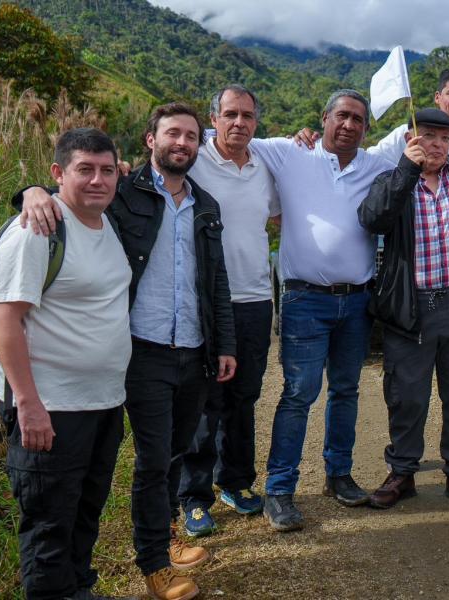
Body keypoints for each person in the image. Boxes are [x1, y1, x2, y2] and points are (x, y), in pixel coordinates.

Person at [18, 104, 237, 600]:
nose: (182, 142)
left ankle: (165, 538)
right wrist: (30, 192)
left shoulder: (205, 204)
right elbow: (70, 197)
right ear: (150, 140)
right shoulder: (122, 191)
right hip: (142, 350)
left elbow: (216, 282)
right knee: (154, 458)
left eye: (191, 135)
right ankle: (154, 562)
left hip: (194, 349)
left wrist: (223, 343)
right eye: (172, 134)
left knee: (176, 453)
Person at [0, 128, 131, 600]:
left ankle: (80, 590)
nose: (98, 180)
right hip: (51, 409)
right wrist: (28, 404)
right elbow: (4, 321)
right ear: (57, 174)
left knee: (84, 516)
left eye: (107, 169)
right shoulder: (38, 230)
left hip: (102, 404)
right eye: (83, 170)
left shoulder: (106, 220)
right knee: (49, 530)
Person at [247, 90, 395, 529]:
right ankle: (279, 489)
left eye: (358, 120)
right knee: (298, 393)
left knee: (346, 389)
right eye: (342, 116)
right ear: (324, 118)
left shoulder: (376, 166)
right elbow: (224, 137)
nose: (349, 125)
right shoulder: (291, 153)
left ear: (367, 130)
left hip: (357, 300)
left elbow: (427, 160)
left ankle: (339, 474)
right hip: (304, 299)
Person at [358, 108, 449, 510]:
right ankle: (402, 471)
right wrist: (405, 172)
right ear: (409, 140)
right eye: (426, 136)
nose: (434, 145)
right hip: (411, 304)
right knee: (407, 393)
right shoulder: (393, 181)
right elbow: (373, 219)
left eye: (442, 138)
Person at [176, 85, 281, 535]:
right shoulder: (194, 160)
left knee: (244, 398)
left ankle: (235, 482)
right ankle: (193, 496)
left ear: (257, 121)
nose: (239, 122)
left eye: (248, 115)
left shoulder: (265, 167)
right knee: (205, 403)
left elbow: (275, 216)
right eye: (230, 114)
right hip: (206, 302)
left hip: (256, 299)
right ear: (213, 118)